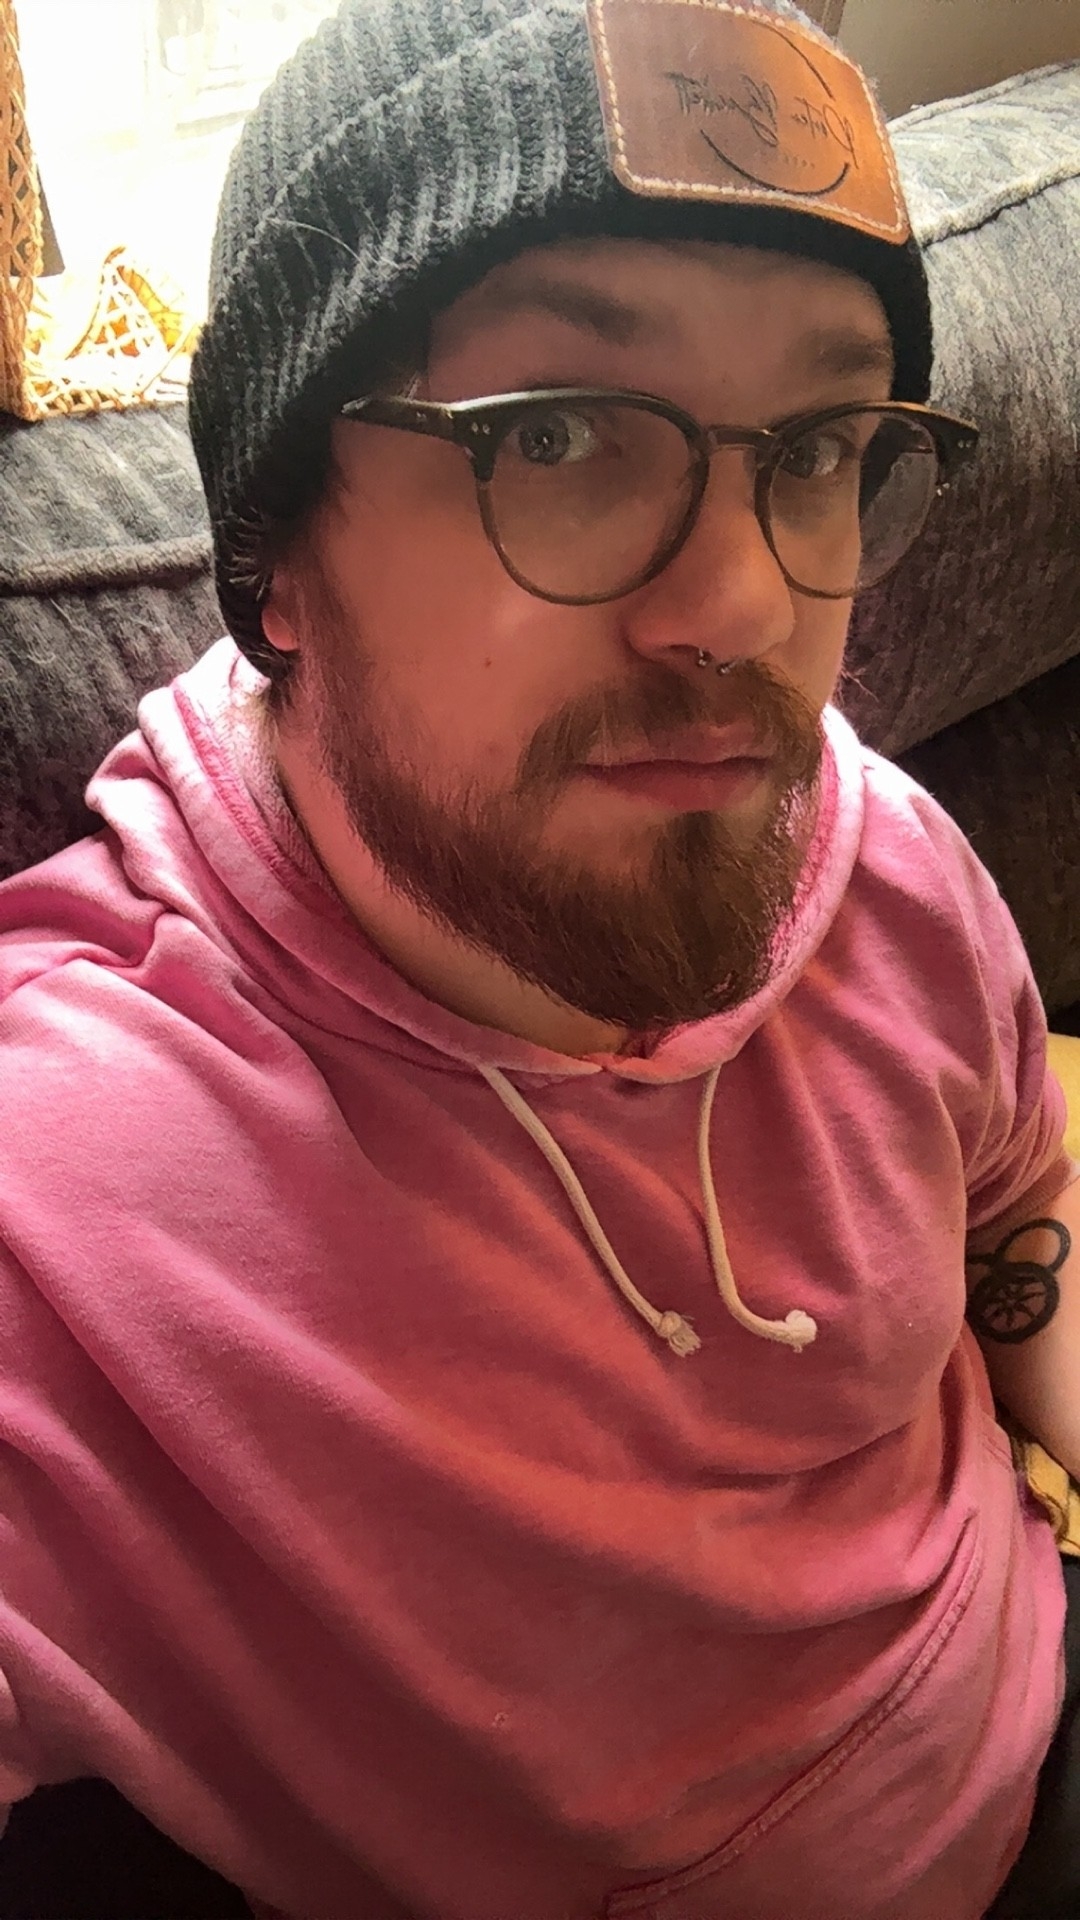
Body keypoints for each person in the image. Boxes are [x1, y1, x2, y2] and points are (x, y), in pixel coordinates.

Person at [0, 1, 1077, 1915]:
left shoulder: (878, 849)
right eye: (558, 435)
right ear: (278, 554)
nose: (743, 603)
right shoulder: (61, 1203)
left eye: (818, 446)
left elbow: (1017, 1198)